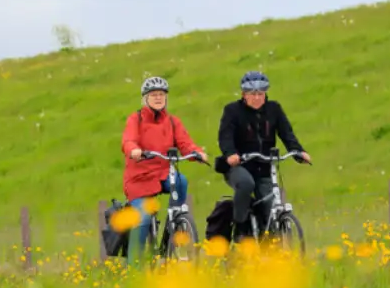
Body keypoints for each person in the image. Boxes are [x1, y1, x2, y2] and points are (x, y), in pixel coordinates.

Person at [111, 76, 205, 258]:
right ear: (145, 98)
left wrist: (197, 152)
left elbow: (185, 143)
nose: (158, 97)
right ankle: (135, 268)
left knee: (180, 181)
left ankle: (176, 220)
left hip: (163, 173)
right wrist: (134, 150)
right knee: (143, 220)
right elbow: (128, 140)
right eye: (153, 94)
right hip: (140, 178)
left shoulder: (172, 121)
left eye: (161, 94)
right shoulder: (135, 119)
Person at [216, 71, 309, 242]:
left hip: (265, 166)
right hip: (239, 166)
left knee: (272, 204)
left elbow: (287, 133)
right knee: (246, 184)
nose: (257, 98)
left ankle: (272, 247)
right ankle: (240, 230)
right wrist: (230, 154)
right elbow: (225, 137)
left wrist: (298, 152)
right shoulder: (232, 111)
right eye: (252, 94)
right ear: (244, 95)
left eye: (260, 93)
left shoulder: (274, 109)